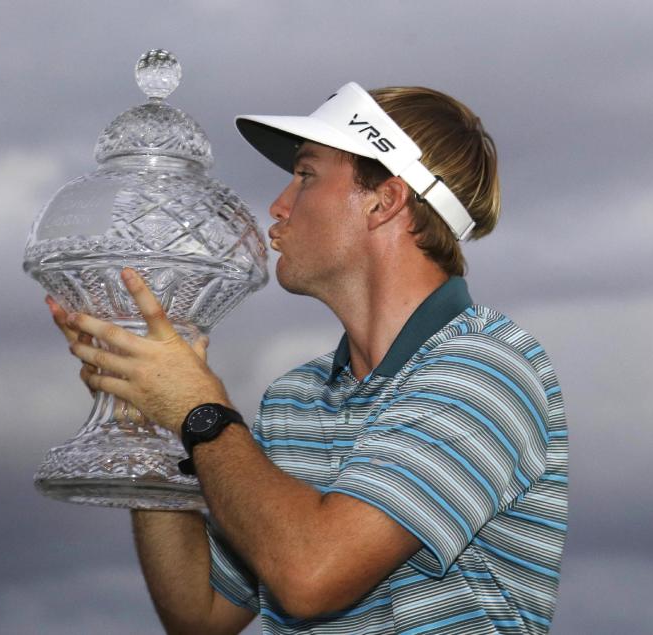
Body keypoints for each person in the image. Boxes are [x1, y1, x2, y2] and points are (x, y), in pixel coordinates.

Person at [48, 82, 568, 634]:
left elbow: (312, 576)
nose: (278, 205)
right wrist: (151, 426)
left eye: (306, 175)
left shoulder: (487, 368)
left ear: (384, 200)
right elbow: (199, 617)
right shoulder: (295, 397)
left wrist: (199, 410)